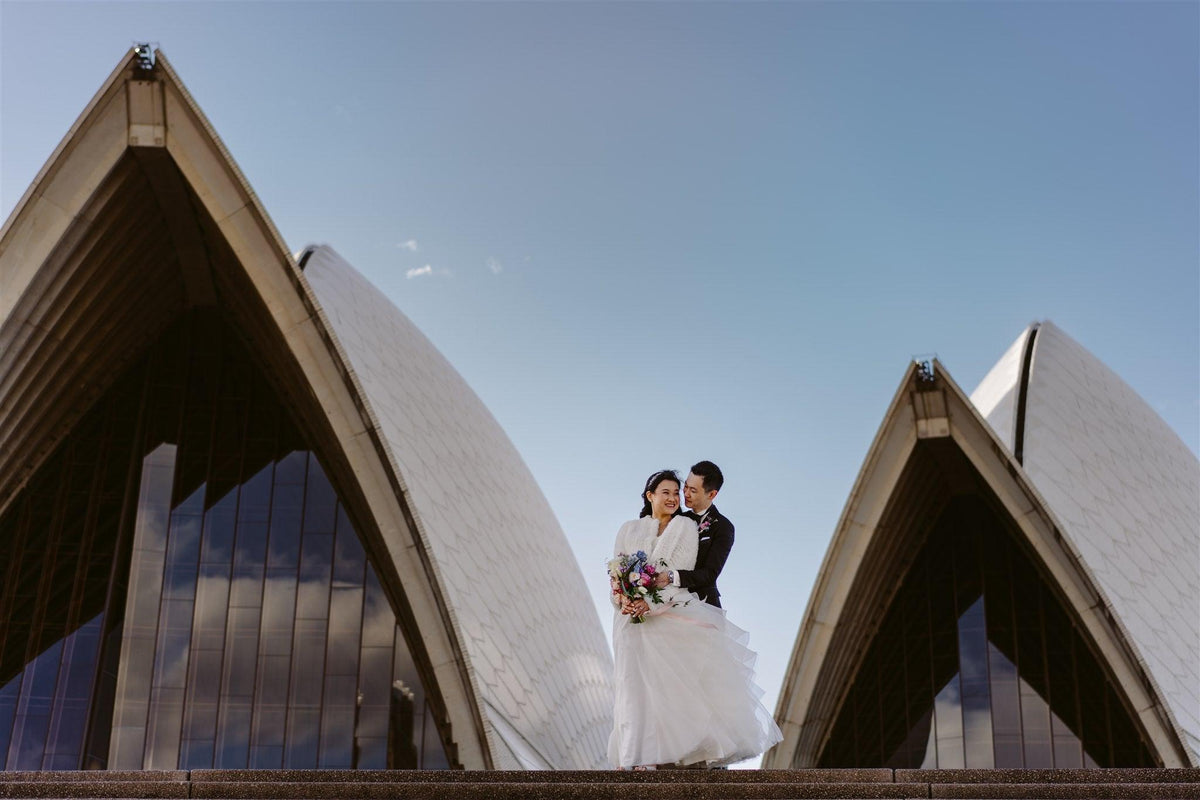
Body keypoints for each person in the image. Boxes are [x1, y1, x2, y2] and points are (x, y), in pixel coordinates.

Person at [608, 469, 781, 770]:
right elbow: (616, 571)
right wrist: (623, 597)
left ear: (711, 494)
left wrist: (649, 602)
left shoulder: (701, 527)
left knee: (695, 688)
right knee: (635, 687)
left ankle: (696, 759)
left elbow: (703, 574)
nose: (681, 496)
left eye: (686, 491)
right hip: (632, 620)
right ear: (650, 495)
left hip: (688, 612)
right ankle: (636, 754)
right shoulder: (631, 528)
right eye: (675, 490)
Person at [655, 461, 732, 607]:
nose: (686, 494)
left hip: (703, 605)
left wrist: (672, 576)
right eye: (686, 486)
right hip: (667, 602)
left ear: (712, 494)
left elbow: (710, 573)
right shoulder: (677, 519)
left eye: (693, 490)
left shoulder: (723, 527)